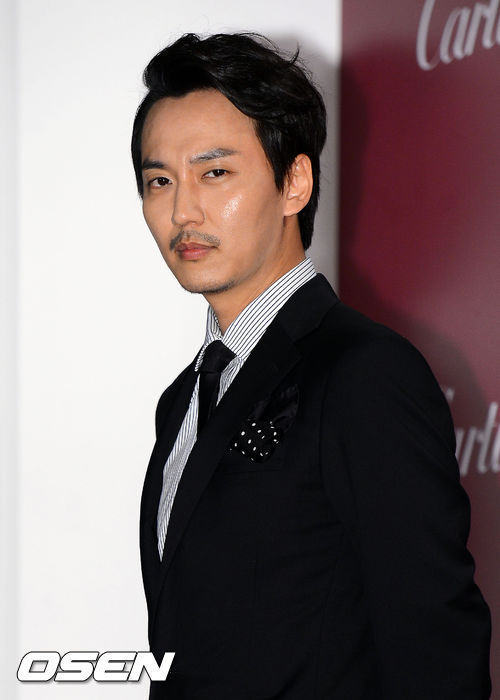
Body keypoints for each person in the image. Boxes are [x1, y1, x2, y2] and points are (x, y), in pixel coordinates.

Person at [131, 32, 491, 699]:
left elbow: (436, 650)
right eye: (160, 181)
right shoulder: (181, 400)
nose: (182, 210)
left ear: (294, 182)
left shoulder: (365, 375)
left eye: (215, 173)